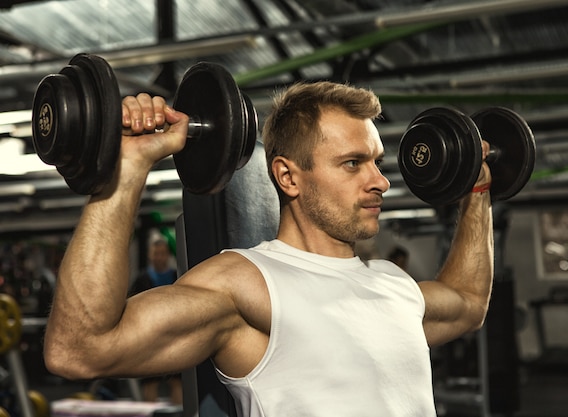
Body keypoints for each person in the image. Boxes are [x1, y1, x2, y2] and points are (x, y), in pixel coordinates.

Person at [43, 81, 494, 416]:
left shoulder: (393, 285)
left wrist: (476, 192)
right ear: (288, 177)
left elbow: (469, 302)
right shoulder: (247, 285)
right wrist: (126, 170)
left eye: (376, 161)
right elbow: (77, 350)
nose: (380, 181)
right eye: (353, 163)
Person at [128, 238, 182, 404]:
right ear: (151, 256)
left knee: (177, 381)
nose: (159, 257)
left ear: (167, 256)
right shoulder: (142, 279)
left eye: (162, 254)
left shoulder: (176, 276)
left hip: (174, 335)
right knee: (150, 382)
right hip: (149, 337)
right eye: (156, 254)